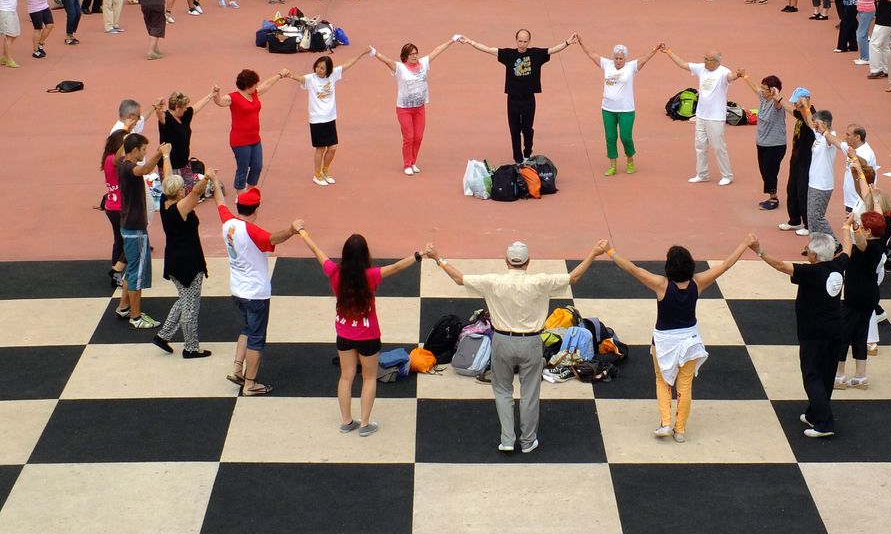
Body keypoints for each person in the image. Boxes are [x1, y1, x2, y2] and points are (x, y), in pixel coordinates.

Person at [432, 239, 605, 452]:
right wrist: (594, 252)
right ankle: (527, 441)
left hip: (502, 342)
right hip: (531, 342)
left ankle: (507, 440)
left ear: (506, 261)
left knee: (502, 390)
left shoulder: (493, 281)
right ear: (528, 262)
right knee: (530, 392)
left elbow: (459, 279)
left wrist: (437, 258)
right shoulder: (540, 282)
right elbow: (575, 277)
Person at [602, 234, 755, 441]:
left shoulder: (661, 285)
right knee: (685, 386)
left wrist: (610, 250)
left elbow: (633, 269)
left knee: (662, 380)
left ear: (669, 267)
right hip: (690, 341)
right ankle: (680, 430)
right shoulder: (698, 283)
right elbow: (726, 265)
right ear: (690, 265)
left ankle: (665, 423)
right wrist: (745, 243)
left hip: (664, 341)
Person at [297, 230, 436, 436]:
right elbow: (397, 267)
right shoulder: (370, 276)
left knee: (346, 377)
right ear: (365, 255)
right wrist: (421, 254)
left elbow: (317, 251)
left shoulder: (334, 272)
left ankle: (346, 421)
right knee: (369, 378)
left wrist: (301, 231)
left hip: (343, 334)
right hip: (368, 336)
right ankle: (365, 425)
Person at [749, 224, 853, 439]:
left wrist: (759, 251)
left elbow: (780, 266)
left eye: (808, 250)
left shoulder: (810, 272)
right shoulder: (838, 265)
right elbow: (849, 250)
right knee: (826, 373)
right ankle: (815, 413)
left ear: (815, 255)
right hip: (835, 330)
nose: (806, 252)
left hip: (813, 333)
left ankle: (824, 423)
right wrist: (847, 227)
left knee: (812, 375)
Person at [213, 183, 303, 396]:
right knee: (256, 337)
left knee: (246, 328)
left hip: (237, 289)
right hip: (255, 293)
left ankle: (237, 368)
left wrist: (214, 182)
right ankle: (251, 383)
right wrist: (293, 229)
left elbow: (219, 202)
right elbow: (274, 239)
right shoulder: (253, 231)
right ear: (256, 209)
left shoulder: (228, 223)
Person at [460, 29, 576, 164]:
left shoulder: (535, 54)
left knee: (527, 129)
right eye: (520, 41)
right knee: (514, 130)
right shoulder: (508, 54)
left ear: (529, 41)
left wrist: (568, 42)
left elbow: (553, 50)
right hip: (513, 100)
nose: (522, 44)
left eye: (525, 41)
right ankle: (518, 159)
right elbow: (488, 49)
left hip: (528, 99)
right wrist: (470, 42)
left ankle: (527, 154)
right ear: (516, 40)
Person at [152, 166, 217, 358]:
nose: (185, 190)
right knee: (191, 306)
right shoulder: (180, 208)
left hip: (175, 259)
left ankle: (163, 335)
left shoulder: (165, 201)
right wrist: (207, 177)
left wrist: (165, 155)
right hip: (187, 262)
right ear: (178, 191)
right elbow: (196, 192)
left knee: (184, 299)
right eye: (182, 188)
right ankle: (190, 347)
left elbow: (170, 174)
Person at [371, 38, 458, 175]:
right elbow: (387, 61)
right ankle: (407, 164)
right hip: (404, 109)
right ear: (405, 56)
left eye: (416, 53)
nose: (415, 56)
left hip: (419, 108)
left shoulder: (423, 63)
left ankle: (413, 162)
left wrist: (451, 41)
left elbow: (437, 50)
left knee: (418, 137)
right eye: (411, 54)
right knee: (409, 137)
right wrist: (375, 53)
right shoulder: (400, 68)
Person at [284, 49, 371, 185]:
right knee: (321, 148)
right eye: (318, 66)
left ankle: (325, 170)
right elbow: (300, 78)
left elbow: (348, 64)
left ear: (328, 70)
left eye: (322, 68)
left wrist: (361, 53)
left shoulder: (333, 75)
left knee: (332, 147)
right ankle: (317, 175)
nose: (319, 70)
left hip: (330, 118)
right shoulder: (311, 78)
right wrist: (289, 75)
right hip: (317, 119)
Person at [576, 36, 661, 175]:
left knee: (625, 137)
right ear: (613, 57)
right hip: (608, 109)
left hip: (626, 109)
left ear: (625, 58)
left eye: (621, 58)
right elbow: (592, 54)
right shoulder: (606, 64)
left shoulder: (632, 67)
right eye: (616, 58)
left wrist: (655, 49)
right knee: (610, 137)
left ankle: (630, 159)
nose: (618, 61)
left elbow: (645, 58)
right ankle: (612, 165)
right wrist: (581, 42)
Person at [115, 133, 171, 330]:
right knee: (137, 273)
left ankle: (123, 307)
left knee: (131, 269)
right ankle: (136, 316)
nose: (145, 153)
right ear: (134, 150)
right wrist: (161, 153)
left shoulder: (121, 162)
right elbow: (145, 169)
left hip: (129, 226)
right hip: (135, 229)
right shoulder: (130, 168)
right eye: (143, 149)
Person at [662, 48, 739, 185]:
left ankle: (727, 175)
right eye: (704, 58)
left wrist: (737, 75)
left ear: (715, 62)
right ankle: (702, 174)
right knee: (700, 146)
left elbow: (730, 77)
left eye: (707, 60)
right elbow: (682, 64)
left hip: (715, 117)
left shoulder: (723, 72)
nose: (704, 61)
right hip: (701, 115)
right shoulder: (701, 68)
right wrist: (668, 52)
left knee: (718, 146)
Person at [211, 68, 289, 193]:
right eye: (254, 84)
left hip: (255, 139)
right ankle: (240, 193)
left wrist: (279, 75)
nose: (257, 86)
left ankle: (251, 190)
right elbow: (220, 102)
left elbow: (266, 85)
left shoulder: (254, 93)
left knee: (257, 166)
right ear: (247, 86)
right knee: (243, 168)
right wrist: (216, 95)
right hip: (240, 141)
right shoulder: (233, 97)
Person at [834, 211, 886, 390]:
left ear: (869, 231)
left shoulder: (870, 246)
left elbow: (860, 243)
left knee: (842, 333)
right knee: (860, 334)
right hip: (869, 295)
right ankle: (860, 376)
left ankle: (839, 375)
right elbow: (849, 247)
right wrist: (848, 227)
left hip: (857, 295)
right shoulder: (878, 243)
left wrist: (851, 226)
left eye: (863, 227)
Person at [739, 74, 788, 209]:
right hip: (762, 143)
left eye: (764, 88)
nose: (761, 90)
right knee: (764, 171)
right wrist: (744, 76)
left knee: (771, 172)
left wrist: (777, 95)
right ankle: (771, 195)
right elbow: (755, 88)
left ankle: (774, 199)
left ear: (772, 91)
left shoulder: (777, 105)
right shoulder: (763, 99)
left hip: (775, 145)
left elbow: (778, 103)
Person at [156, 90, 215, 193]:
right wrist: (158, 107)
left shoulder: (184, 115)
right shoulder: (166, 118)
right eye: (184, 107)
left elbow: (196, 107)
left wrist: (210, 95)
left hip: (184, 163)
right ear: (177, 108)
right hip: (169, 165)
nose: (186, 109)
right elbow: (160, 115)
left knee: (188, 191)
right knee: (172, 193)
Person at [797, 99, 839, 239]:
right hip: (814, 183)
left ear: (825, 124)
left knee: (817, 217)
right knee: (811, 217)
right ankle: (816, 244)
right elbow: (809, 121)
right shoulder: (819, 135)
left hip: (822, 185)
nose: (814, 126)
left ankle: (835, 243)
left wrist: (824, 130)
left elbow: (829, 140)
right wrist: (806, 107)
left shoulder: (830, 138)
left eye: (817, 123)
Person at [101, 129, 129, 288]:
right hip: (119, 207)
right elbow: (120, 156)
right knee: (133, 240)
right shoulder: (113, 159)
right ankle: (116, 271)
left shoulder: (107, 158)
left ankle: (116, 273)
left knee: (119, 240)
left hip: (112, 206)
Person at [0, 0, 19, 68]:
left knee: (13, 34)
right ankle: (9, 59)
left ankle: (3, 57)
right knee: (10, 35)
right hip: (4, 11)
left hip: (12, 10)